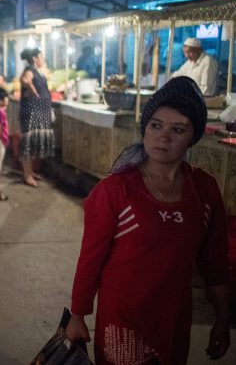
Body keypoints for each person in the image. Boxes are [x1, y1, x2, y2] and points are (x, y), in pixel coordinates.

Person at [66, 76, 230, 365]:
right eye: (156, 125)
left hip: (175, 321)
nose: (163, 137)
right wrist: (78, 315)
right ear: (144, 128)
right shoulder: (116, 190)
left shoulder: (204, 190)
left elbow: (214, 262)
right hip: (122, 322)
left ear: (193, 136)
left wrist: (222, 318)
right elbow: (91, 258)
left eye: (177, 129)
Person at [18, 48, 55, 187]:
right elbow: (24, 80)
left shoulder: (38, 71)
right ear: (34, 58)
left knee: (32, 142)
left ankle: (30, 172)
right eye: (41, 57)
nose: (43, 59)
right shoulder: (29, 70)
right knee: (27, 143)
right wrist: (32, 88)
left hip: (38, 112)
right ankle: (26, 175)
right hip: (31, 112)